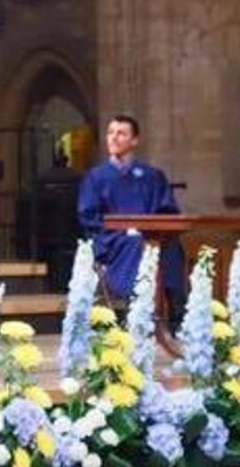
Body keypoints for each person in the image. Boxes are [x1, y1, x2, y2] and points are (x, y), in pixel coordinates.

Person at [76, 114, 186, 318]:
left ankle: (176, 313)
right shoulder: (96, 177)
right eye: (110, 133)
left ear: (134, 140)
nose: (114, 138)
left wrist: (150, 231)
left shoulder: (152, 176)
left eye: (121, 133)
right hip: (112, 240)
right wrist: (127, 230)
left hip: (150, 237)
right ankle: (133, 309)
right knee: (134, 242)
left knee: (171, 246)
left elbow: (168, 210)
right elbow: (88, 215)